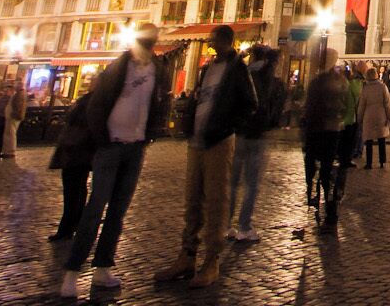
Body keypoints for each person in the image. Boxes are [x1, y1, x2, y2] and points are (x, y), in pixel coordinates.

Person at [60, 22, 173, 300]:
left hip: (135, 147)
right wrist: (104, 138)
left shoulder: (157, 69)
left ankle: (102, 268)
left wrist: (149, 134)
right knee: (95, 208)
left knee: (118, 211)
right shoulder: (119, 67)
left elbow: (159, 103)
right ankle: (72, 272)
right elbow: (97, 104)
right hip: (111, 146)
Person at [156, 26, 257, 289]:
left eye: (215, 40)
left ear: (227, 41)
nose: (212, 44)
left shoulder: (237, 69)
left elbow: (250, 104)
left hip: (218, 141)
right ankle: (187, 255)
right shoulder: (208, 68)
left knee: (216, 201)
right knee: (192, 201)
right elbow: (201, 98)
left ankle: (211, 261)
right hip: (197, 141)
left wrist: (226, 128)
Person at [229, 44, 286, 243]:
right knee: (251, 184)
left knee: (232, 182)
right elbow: (276, 110)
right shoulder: (272, 81)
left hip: (238, 134)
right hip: (258, 135)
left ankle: (226, 225)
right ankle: (244, 227)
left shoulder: (242, 75)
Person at [296, 47, 350, 235]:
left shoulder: (321, 82)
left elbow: (311, 107)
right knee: (327, 170)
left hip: (320, 129)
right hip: (332, 129)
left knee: (320, 170)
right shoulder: (341, 81)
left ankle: (324, 206)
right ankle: (329, 210)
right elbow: (346, 106)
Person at [47, 89, 95, 243]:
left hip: (75, 150)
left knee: (73, 191)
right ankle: (74, 225)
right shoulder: (94, 100)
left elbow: (75, 124)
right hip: (79, 151)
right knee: (78, 190)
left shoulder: (89, 102)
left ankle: (68, 228)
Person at [358, 66, 390, 169]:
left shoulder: (365, 88)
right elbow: (387, 103)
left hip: (368, 115)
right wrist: (389, 116)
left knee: (369, 140)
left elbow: (362, 105)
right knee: (381, 139)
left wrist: (360, 118)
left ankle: (369, 163)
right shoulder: (383, 87)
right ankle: (382, 161)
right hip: (381, 115)